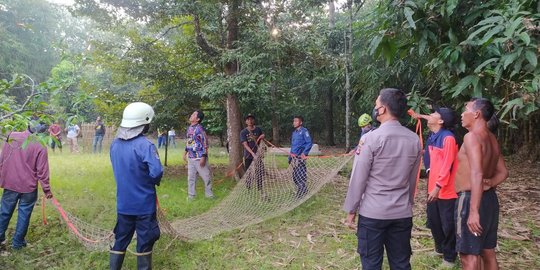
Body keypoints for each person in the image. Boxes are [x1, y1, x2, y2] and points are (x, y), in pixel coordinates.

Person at [343, 88, 422, 270]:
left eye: (376, 105)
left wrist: (351, 209)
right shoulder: (414, 140)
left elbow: (358, 178)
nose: (375, 108)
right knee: (401, 263)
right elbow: (412, 180)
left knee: (371, 263)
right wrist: (407, 203)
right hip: (402, 213)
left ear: (384, 109)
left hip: (373, 213)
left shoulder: (370, 139)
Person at [454, 98, 509, 270]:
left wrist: (473, 211)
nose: (462, 114)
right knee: (488, 253)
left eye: (466, 109)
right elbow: (503, 172)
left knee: (469, 256)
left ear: (476, 114)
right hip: (489, 201)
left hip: (471, 199)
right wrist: (491, 182)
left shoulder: (471, 137)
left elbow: (476, 173)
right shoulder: (492, 138)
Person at [109, 102, 163, 270]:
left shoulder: (114, 145)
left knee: (120, 240)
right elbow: (156, 172)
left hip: (123, 204)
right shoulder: (146, 146)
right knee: (145, 242)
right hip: (144, 205)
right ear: (144, 124)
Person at [412, 107, 459, 267]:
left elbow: (448, 166)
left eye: (433, 115)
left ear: (440, 121)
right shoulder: (434, 135)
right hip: (433, 188)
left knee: (447, 224)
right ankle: (439, 248)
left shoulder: (448, 139)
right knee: (434, 221)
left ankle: (450, 256)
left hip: (446, 190)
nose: (429, 116)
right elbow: (428, 117)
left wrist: (438, 187)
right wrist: (417, 115)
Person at [0, 121, 53, 250]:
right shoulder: (40, 145)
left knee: (4, 212)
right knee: (24, 214)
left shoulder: (12, 137)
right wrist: (47, 190)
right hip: (28, 188)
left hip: (10, 184)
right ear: (41, 131)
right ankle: (17, 243)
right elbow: (42, 171)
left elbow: (2, 159)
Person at [183, 110, 214, 199]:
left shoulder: (200, 129)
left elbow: (205, 143)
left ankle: (209, 195)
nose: (191, 115)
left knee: (206, 177)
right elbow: (189, 141)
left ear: (198, 119)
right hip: (191, 158)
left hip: (199, 158)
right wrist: (185, 152)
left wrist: (203, 157)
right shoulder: (189, 128)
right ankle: (191, 195)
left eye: (193, 114)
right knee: (191, 178)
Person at [240, 114, 265, 191]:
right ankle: (248, 187)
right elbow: (245, 144)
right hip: (248, 155)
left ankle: (259, 187)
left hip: (258, 154)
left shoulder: (258, 129)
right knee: (249, 171)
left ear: (254, 120)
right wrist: (252, 153)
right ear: (246, 121)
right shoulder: (243, 132)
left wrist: (262, 136)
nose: (250, 121)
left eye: (251, 119)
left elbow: (262, 140)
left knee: (260, 170)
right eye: (248, 119)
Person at [289, 115, 312, 199]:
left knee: (301, 175)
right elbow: (293, 146)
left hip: (300, 158)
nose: (294, 123)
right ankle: (303, 190)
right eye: (293, 121)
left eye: (296, 121)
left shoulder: (304, 131)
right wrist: (290, 157)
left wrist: (304, 153)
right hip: (294, 158)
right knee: (295, 176)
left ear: (301, 122)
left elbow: (309, 143)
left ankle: (301, 194)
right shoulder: (294, 133)